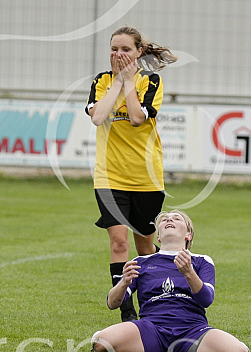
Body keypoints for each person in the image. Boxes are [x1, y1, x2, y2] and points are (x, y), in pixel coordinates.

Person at [85, 26, 177, 322]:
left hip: (146, 178)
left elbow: (137, 118)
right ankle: (127, 313)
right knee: (119, 243)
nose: (119, 54)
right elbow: (98, 117)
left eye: (125, 49)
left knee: (146, 247)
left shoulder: (151, 81)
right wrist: (117, 83)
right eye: (114, 49)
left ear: (139, 52)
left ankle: (155, 305)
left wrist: (128, 84)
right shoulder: (101, 81)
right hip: (109, 178)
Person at [91, 210, 250, 352]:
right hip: (151, 328)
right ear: (158, 237)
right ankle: (153, 345)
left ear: (189, 235)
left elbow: (206, 300)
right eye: (164, 219)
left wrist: (188, 273)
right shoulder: (141, 262)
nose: (169, 219)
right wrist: (124, 282)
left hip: (192, 329)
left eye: (177, 218)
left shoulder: (201, 261)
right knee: (101, 342)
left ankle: (188, 346)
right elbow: (112, 303)